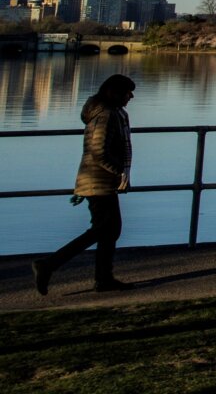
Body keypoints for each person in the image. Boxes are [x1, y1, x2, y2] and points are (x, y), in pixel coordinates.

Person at [32, 73, 137, 294]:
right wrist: (119, 172)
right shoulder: (106, 115)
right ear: (116, 93)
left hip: (99, 180)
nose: (131, 96)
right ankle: (49, 265)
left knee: (109, 231)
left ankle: (103, 279)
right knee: (104, 230)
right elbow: (98, 151)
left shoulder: (112, 113)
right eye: (128, 92)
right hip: (98, 180)